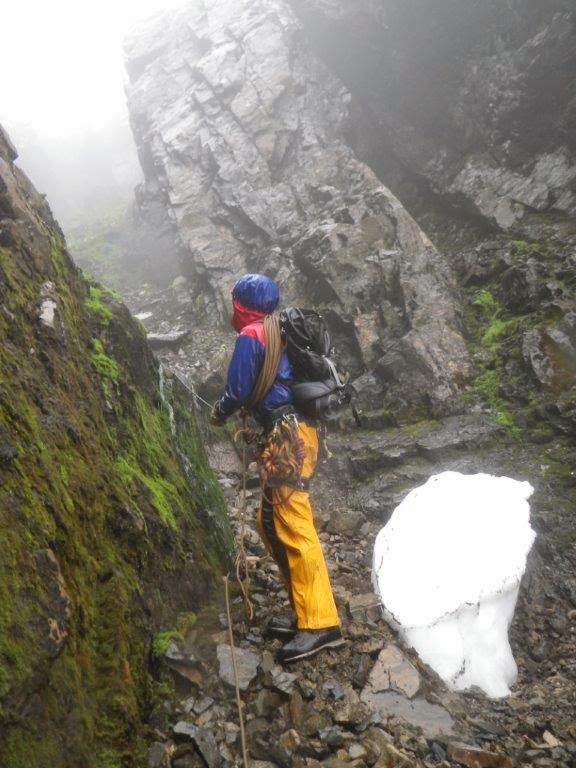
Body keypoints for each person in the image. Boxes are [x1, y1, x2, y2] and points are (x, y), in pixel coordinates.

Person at [210, 273, 343, 662]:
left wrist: (219, 413)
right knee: (269, 522)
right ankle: (304, 610)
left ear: (242, 304)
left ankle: (320, 623)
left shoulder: (253, 335)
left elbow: (237, 390)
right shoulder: (281, 331)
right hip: (296, 434)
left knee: (293, 524)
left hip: (286, 437)